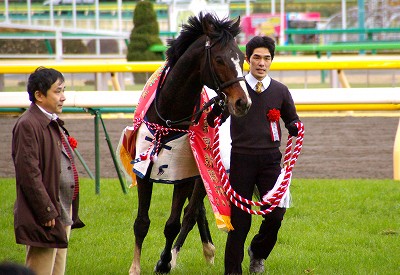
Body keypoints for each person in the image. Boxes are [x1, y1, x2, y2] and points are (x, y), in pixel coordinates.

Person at [223, 36, 302, 274]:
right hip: (241, 160)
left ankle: (258, 253)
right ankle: (232, 270)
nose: (261, 63)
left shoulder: (280, 90)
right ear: (247, 60)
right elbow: (218, 118)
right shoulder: (236, 89)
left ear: (271, 61)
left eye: (267, 58)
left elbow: (292, 119)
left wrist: (296, 125)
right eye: (256, 57)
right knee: (239, 221)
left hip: (270, 161)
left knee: (277, 213)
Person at [12, 67, 84, 275]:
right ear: (39, 95)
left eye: (63, 90)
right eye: (58, 91)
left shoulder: (49, 120)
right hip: (46, 213)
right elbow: (29, 174)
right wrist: (45, 210)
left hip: (60, 210)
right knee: (41, 270)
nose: (63, 97)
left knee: (57, 271)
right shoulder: (28, 124)